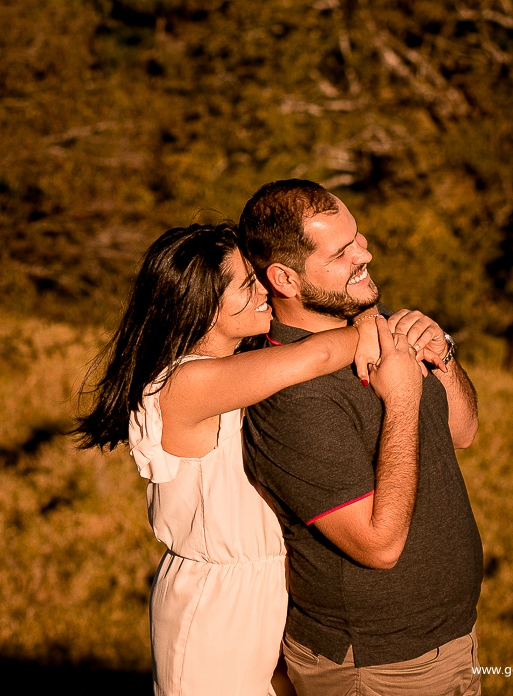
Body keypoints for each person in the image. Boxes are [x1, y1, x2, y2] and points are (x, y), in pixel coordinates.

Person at [75, 222, 421, 696]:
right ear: (200, 305)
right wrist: (368, 324)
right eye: (246, 284)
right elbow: (316, 357)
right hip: (215, 608)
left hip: (275, 592)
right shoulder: (183, 384)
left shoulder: (242, 367)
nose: (264, 291)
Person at [238, 180, 483, 695]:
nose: (364, 254)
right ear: (285, 278)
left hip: (452, 639)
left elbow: (464, 432)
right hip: (374, 666)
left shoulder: (376, 322)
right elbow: (379, 545)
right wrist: (403, 398)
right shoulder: (288, 396)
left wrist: (443, 355)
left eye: (359, 237)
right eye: (342, 250)